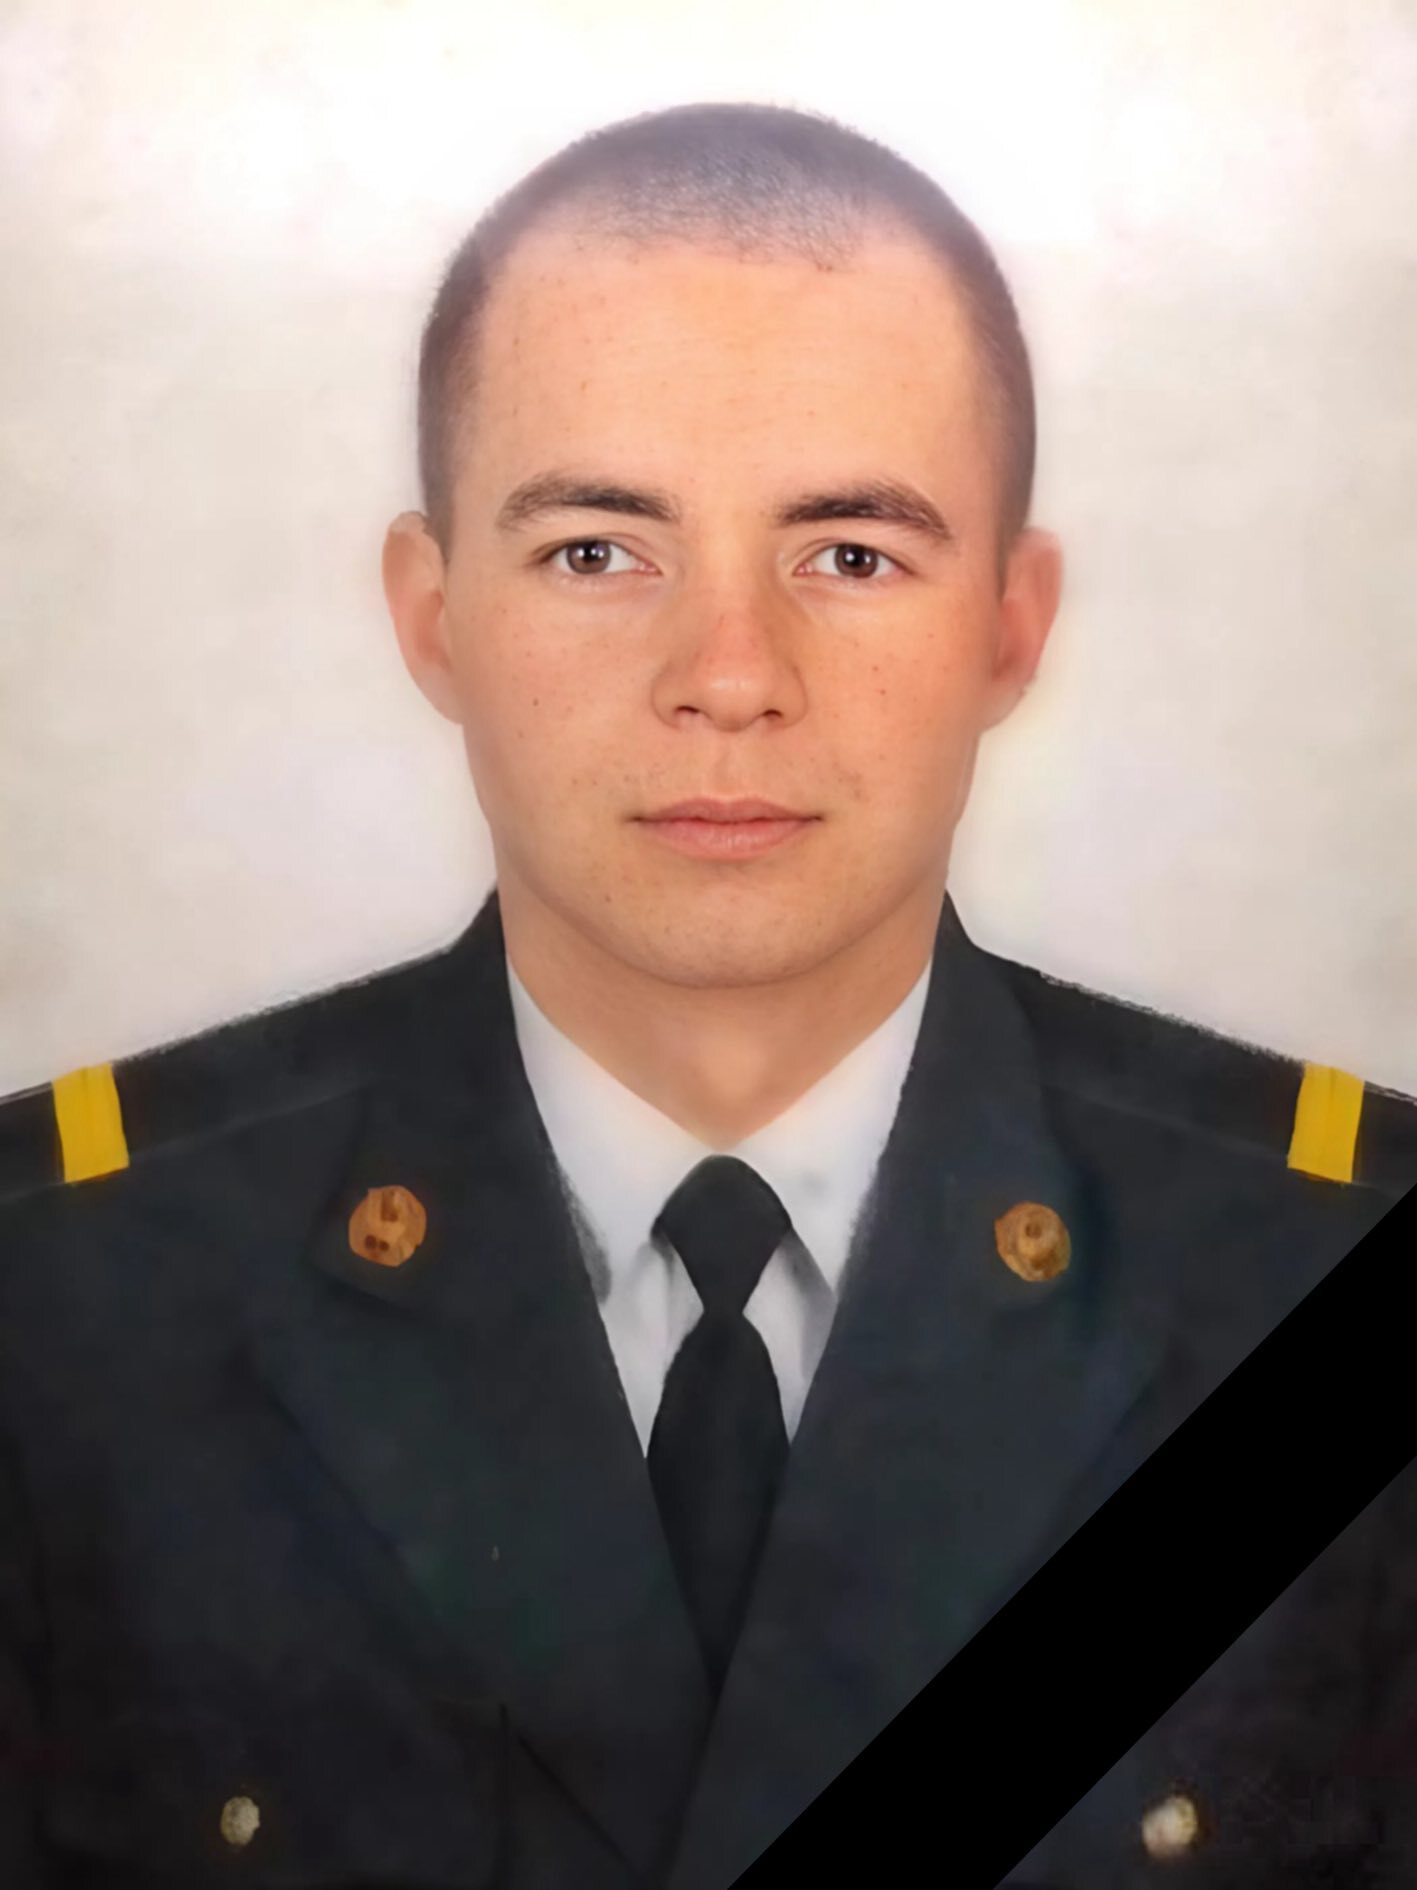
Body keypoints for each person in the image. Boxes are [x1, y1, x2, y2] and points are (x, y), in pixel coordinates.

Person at [1, 100, 1414, 1890]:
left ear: (1008, 625)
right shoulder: (58, 1305)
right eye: (599, 550)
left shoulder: (1329, 1272)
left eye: (850, 553)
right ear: (433, 618)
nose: (729, 675)